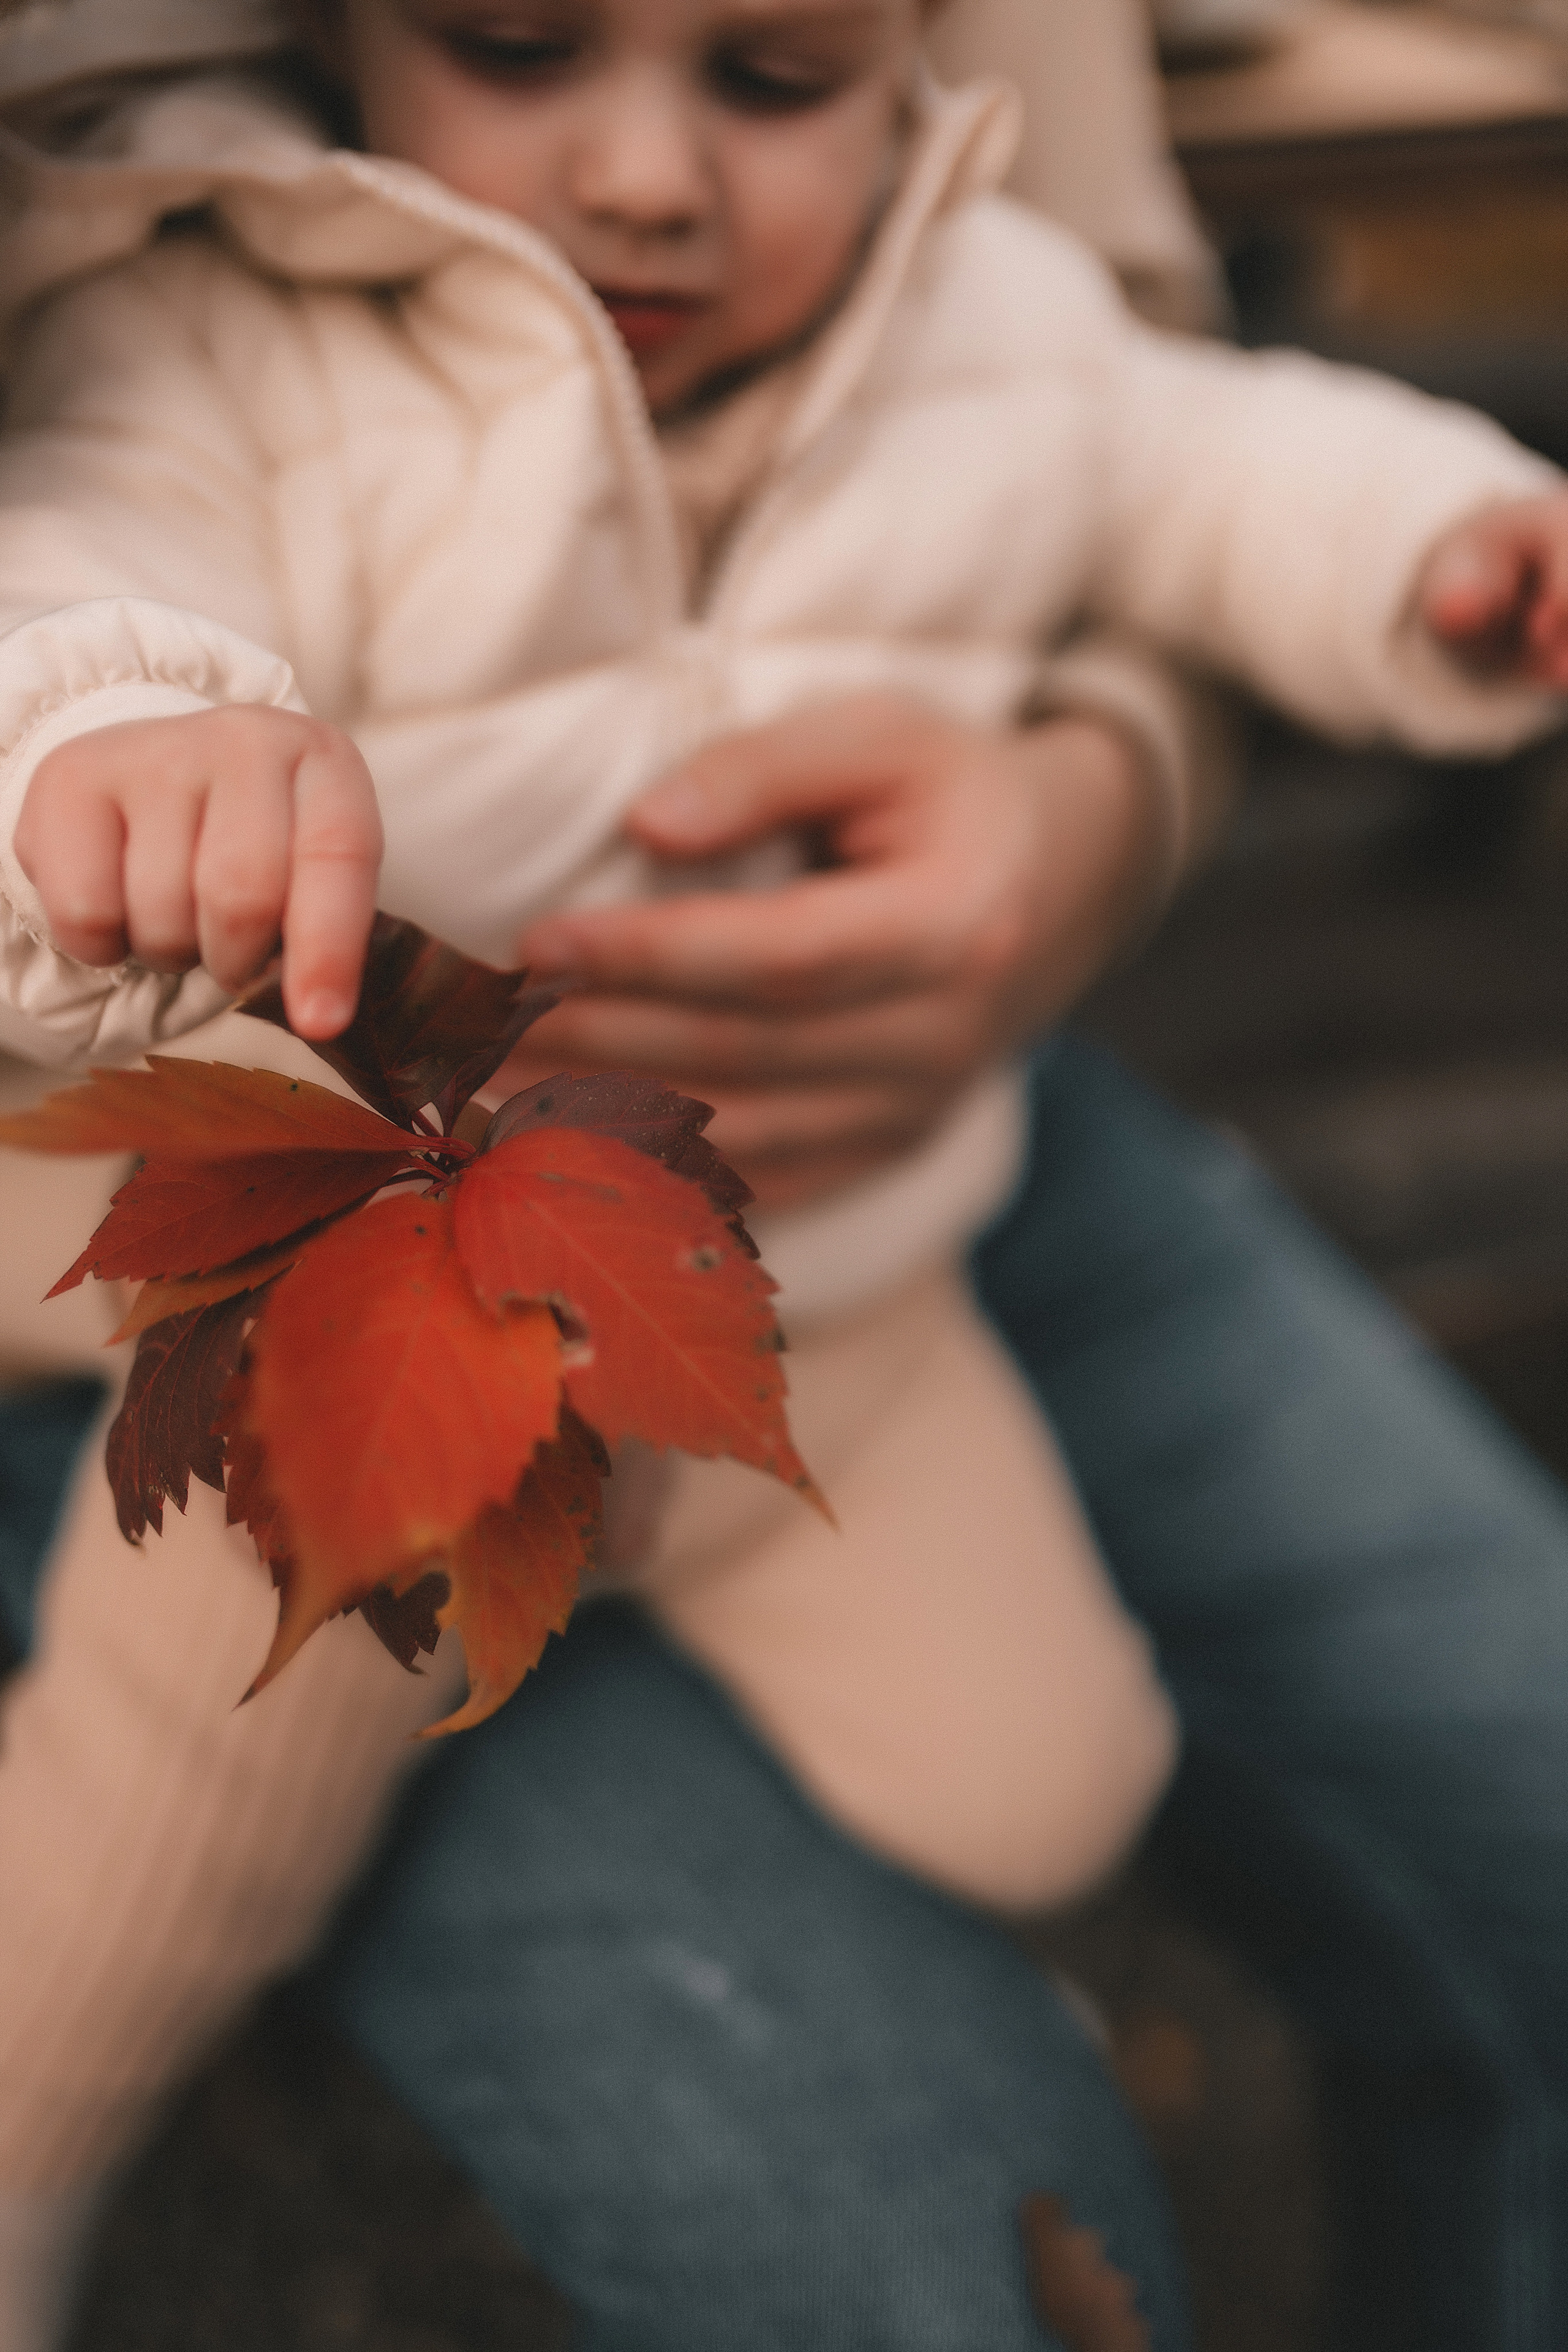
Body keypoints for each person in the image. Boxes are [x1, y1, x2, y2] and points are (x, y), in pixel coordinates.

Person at [1, 4, 1567, 2347]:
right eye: (521, 49)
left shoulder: (990, 327)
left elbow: (1218, 459)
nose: (647, 176)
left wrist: (1448, 548)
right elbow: (85, 532)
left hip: (820, 1258)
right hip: (367, 1300)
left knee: (1050, 1782)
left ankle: (855, 1816)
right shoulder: (243, 305)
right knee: (172, 1827)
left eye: (774, 81)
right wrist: (133, 732)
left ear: (920, 61)